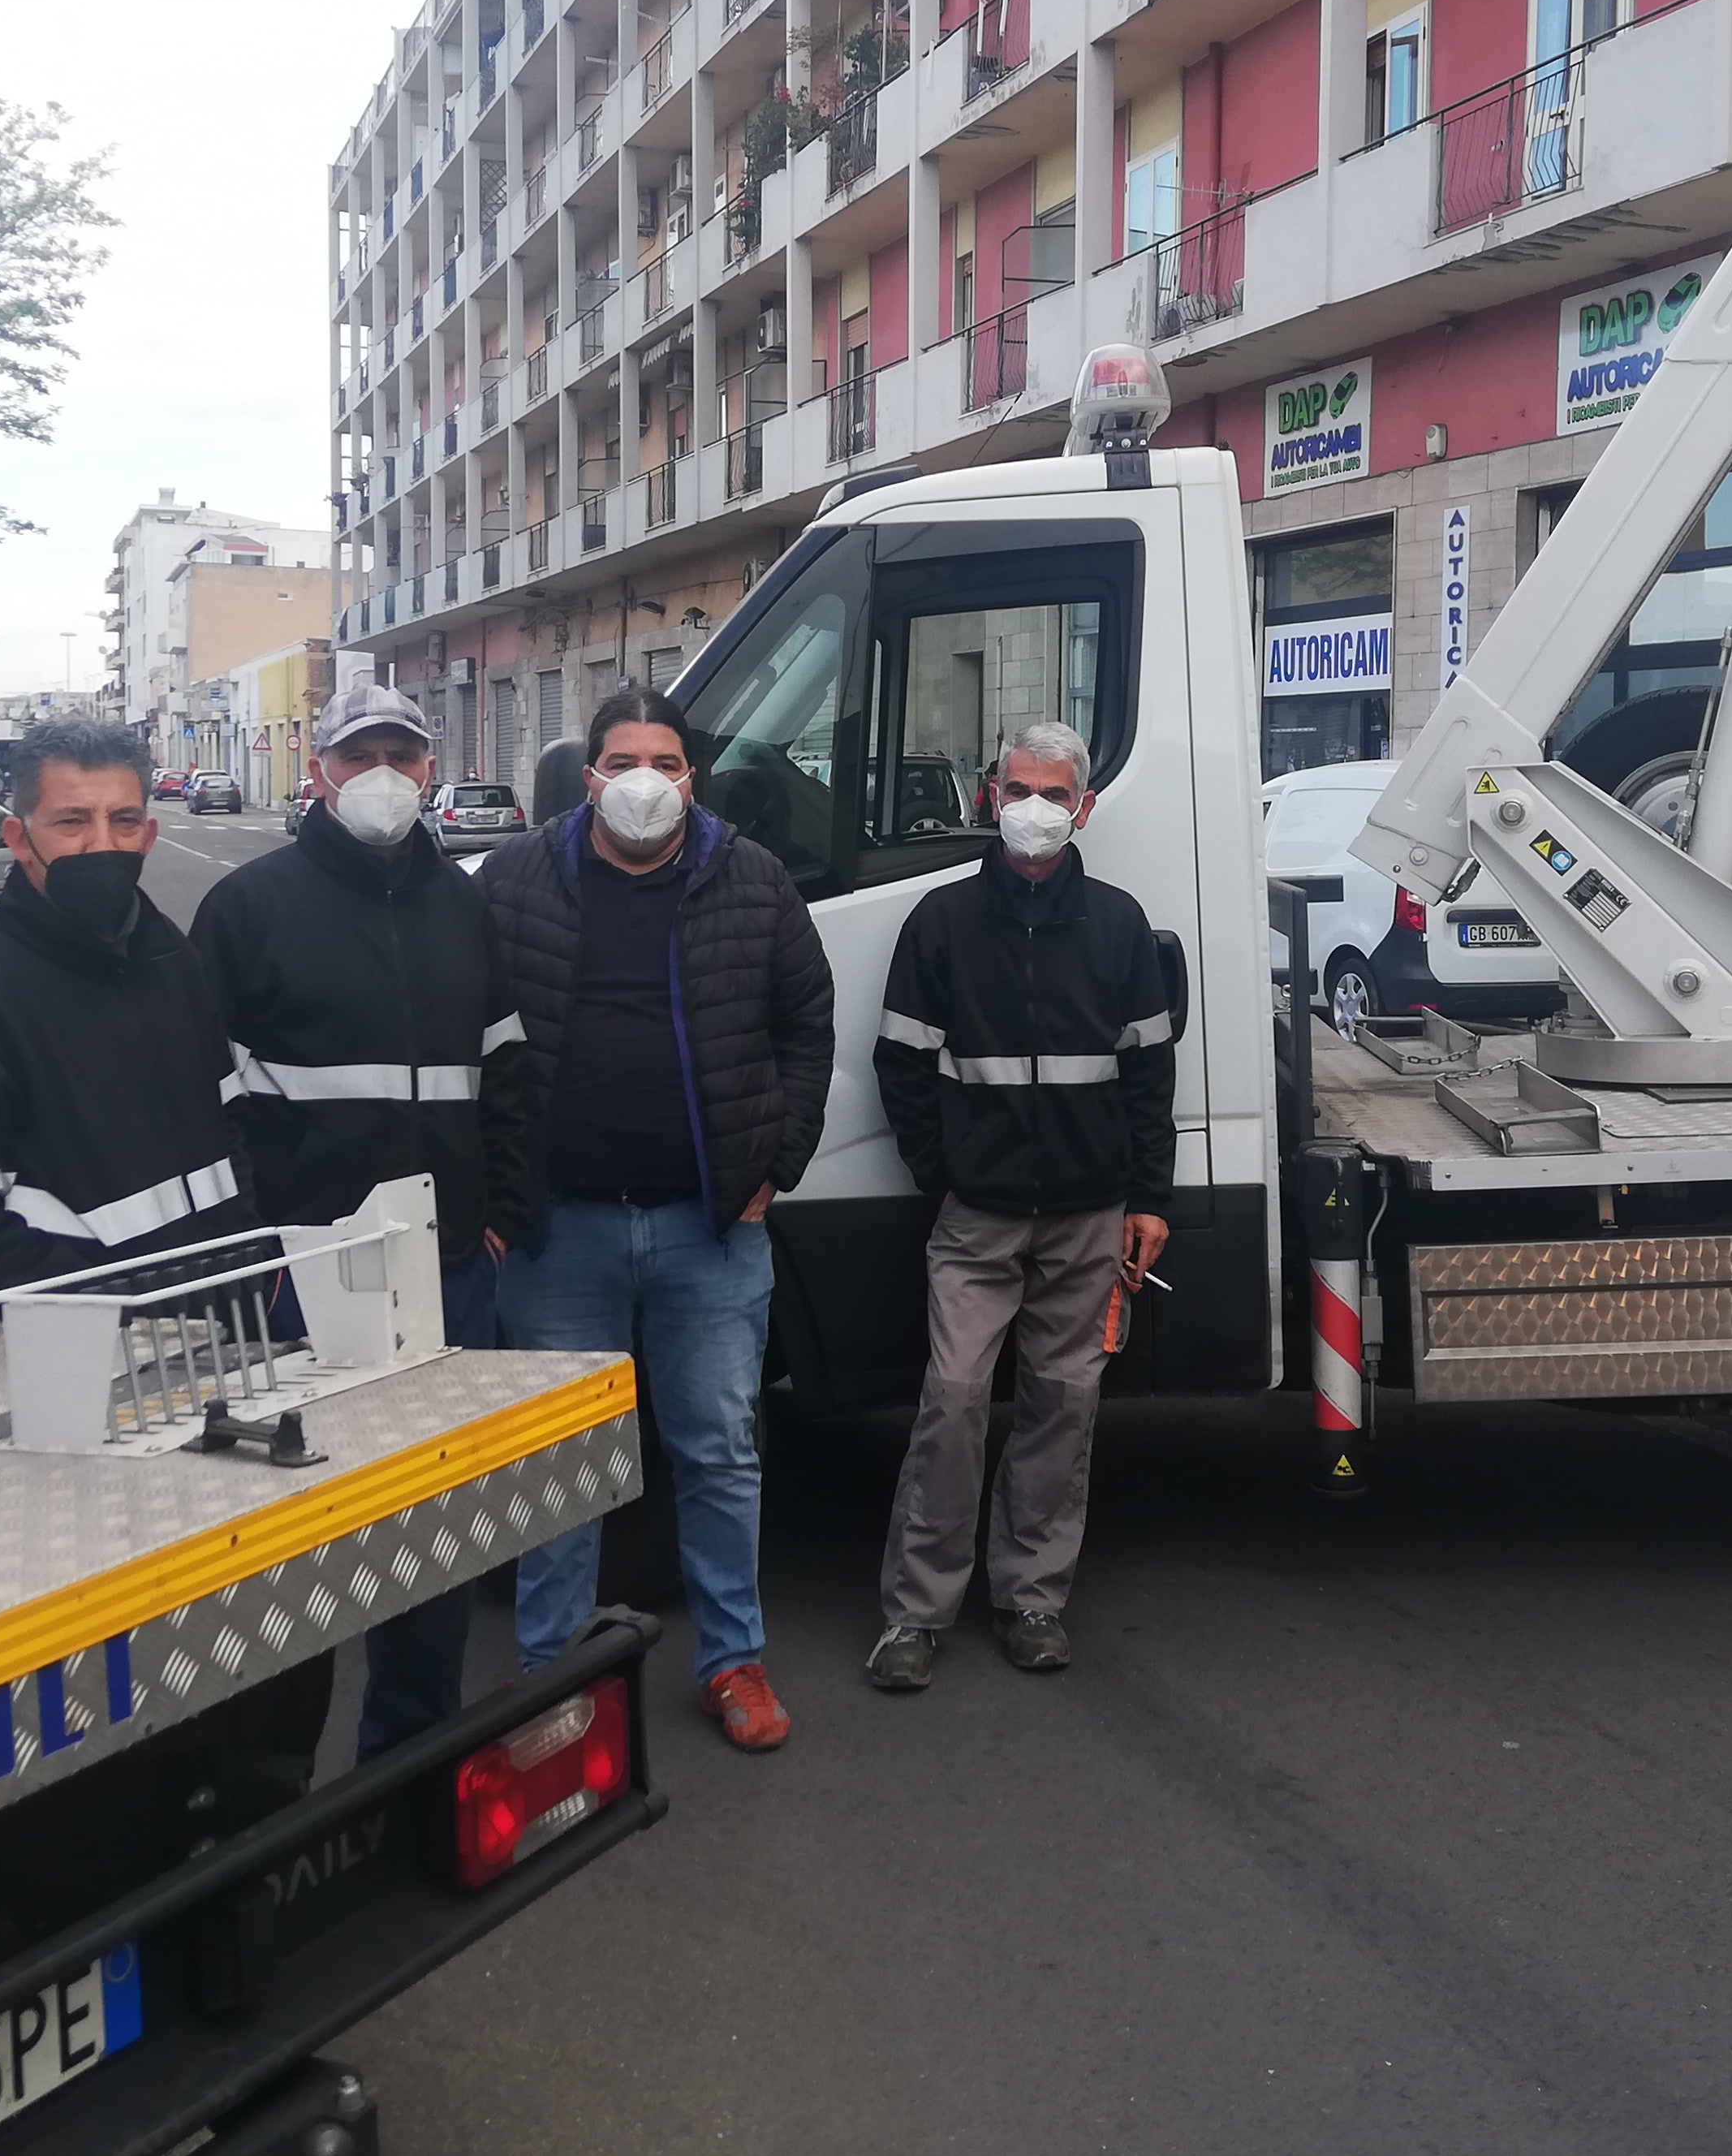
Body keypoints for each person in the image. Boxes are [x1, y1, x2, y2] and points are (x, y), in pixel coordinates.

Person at [478, 680, 835, 1752]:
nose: (645, 782)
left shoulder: (752, 880)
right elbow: (467, 1038)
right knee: (560, 1464)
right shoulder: (512, 880)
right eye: (623, 761)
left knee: (719, 1452)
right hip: (559, 1233)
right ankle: (549, 1679)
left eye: (666, 764)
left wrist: (778, 1161)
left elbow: (805, 1023)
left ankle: (733, 1663)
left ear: (694, 778)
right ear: (586, 778)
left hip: (707, 1228)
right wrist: (494, 1191)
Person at [192, 679, 525, 1758]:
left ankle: (411, 1753)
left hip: (447, 1268)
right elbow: (208, 1096)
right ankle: (271, 1777)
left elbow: (510, 1066)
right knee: (294, 1530)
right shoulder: (249, 910)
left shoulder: (469, 906)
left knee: (428, 1522)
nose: (384, 775)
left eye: (404, 755)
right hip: (309, 1275)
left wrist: (500, 1210)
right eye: (360, 755)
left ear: (429, 771)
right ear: (320, 773)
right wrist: (266, 1242)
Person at [864, 721, 1175, 1687]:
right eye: (1017, 790)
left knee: (1063, 1403)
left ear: (1083, 809)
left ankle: (1033, 1599)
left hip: (1089, 1213)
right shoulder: (941, 924)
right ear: (989, 798)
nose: (1033, 810)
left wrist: (1148, 1197)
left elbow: (1148, 1073)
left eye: (1052, 794)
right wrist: (943, 1171)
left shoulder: (1120, 925)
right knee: (953, 1400)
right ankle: (915, 1616)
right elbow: (902, 1066)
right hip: (978, 1214)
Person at [0, 716, 264, 1300]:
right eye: (72, 822)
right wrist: (125, 1302)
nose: (102, 844)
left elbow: (231, 1128)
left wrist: (250, 1259)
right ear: (18, 839)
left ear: (149, 833)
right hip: (99, 1345)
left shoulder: (171, 954)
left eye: (123, 821)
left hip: (230, 1312)